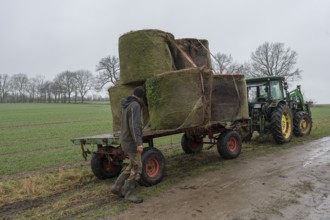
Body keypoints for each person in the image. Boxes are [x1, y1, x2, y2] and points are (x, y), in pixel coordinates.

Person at [111, 86, 145, 203]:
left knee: (131, 165)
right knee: (137, 167)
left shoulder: (127, 105)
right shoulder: (135, 105)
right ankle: (128, 193)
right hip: (131, 142)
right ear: (141, 96)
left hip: (125, 140)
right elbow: (135, 125)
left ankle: (116, 187)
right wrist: (139, 143)